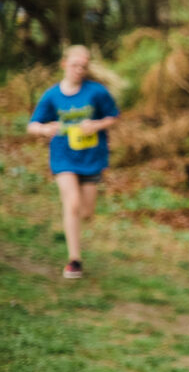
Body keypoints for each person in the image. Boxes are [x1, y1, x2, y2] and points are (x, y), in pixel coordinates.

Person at [27, 45, 120, 279]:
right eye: (75, 65)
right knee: (73, 203)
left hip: (91, 158)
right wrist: (45, 129)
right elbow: (32, 125)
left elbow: (113, 116)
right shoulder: (52, 95)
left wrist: (96, 125)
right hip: (63, 158)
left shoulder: (97, 92)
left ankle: (76, 237)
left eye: (84, 66)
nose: (79, 70)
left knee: (86, 211)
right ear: (64, 64)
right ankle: (74, 261)